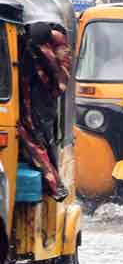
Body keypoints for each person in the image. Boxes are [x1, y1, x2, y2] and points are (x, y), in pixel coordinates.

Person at [18, 23, 71, 200]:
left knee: (40, 140)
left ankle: (54, 183)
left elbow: (60, 81)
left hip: (42, 99)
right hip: (32, 93)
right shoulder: (36, 43)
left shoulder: (53, 46)